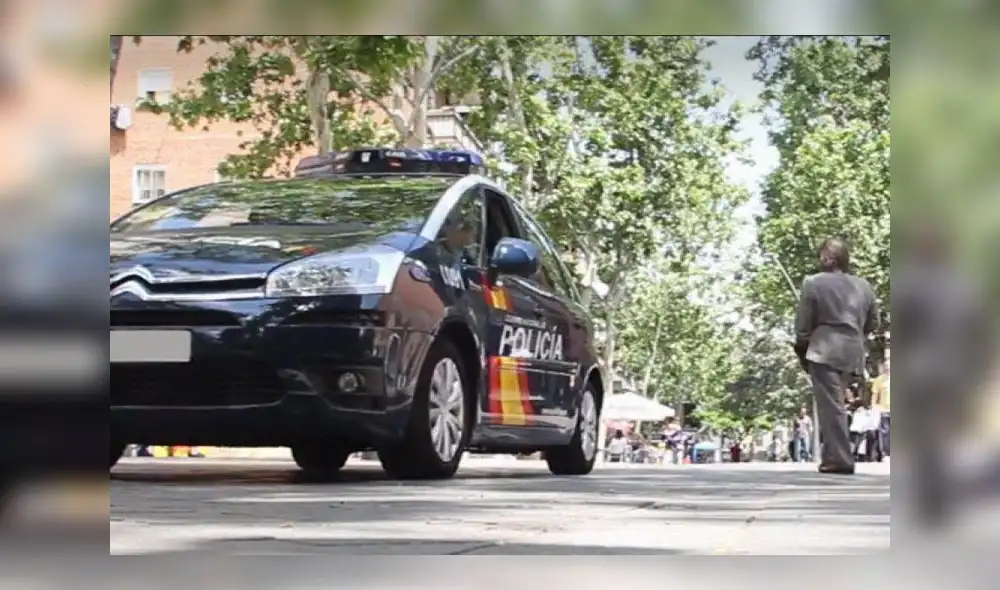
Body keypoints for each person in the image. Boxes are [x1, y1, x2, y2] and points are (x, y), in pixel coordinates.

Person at [794, 237, 879, 475]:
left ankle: (840, 459)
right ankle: (835, 454)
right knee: (837, 402)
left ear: (827, 258)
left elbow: (803, 323)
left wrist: (802, 344)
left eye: (821, 255)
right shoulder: (864, 286)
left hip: (824, 349)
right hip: (852, 350)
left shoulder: (813, 283)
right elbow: (874, 322)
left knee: (831, 406)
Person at [870, 357, 891, 459]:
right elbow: (875, 394)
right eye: (886, 366)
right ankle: (885, 454)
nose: (888, 368)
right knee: (885, 432)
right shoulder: (879, 380)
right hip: (884, 410)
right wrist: (873, 406)